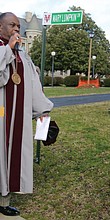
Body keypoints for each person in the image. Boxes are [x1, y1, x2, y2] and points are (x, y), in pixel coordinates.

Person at [0, 12, 54, 216]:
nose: (16, 29)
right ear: (0, 28)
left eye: (18, 26)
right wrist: (8, 49)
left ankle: (3, 201)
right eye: (12, 25)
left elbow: (32, 83)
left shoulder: (21, 54)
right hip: (1, 115)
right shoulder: (4, 50)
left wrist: (42, 110)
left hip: (17, 117)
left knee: (10, 158)